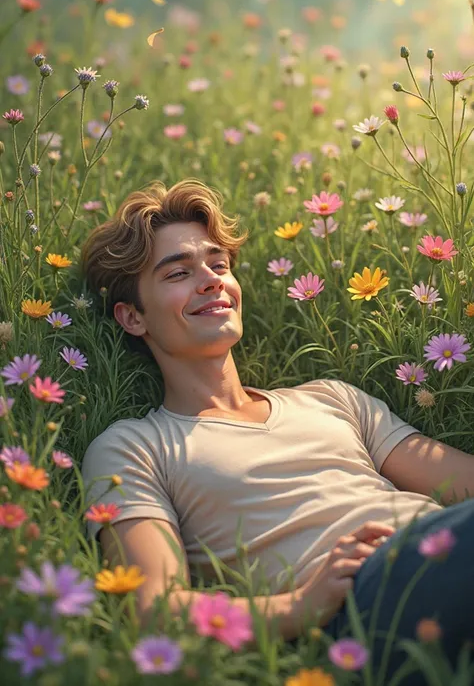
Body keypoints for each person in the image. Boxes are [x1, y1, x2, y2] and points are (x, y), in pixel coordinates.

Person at [80, 179, 474, 684]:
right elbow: (153, 609)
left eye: (219, 265)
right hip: (369, 597)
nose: (211, 280)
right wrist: (300, 605)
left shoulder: (332, 397)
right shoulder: (131, 447)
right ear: (133, 316)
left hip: (447, 544)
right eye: (179, 272)